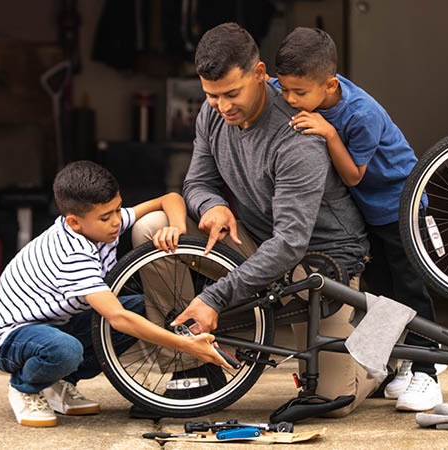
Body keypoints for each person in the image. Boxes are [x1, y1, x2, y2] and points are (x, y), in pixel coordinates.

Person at [132, 22, 376, 416]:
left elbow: (291, 242)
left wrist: (213, 297)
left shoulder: (298, 136)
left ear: (260, 73)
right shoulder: (213, 114)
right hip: (257, 243)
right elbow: (197, 181)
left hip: (321, 262)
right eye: (212, 95)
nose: (223, 106)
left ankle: (382, 353)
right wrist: (211, 206)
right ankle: (189, 369)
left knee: (329, 402)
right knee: (153, 227)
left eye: (232, 93)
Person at [0, 161, 231, 428]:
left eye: (117, 209)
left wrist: (177, 227)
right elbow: (118, 318)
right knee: (67, 350)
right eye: (105, 217)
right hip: (12, 337)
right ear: (74, 222)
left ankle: (60, 382)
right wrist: (185, 345)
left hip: (58, 324)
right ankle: (25, 387)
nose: (116, 222)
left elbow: (169, 199)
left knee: (146, 307)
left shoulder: (102, 225)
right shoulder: (72, 254)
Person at [270, 27, 442, 411]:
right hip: (368, 213)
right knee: (380, 291)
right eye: (285, 90)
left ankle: (427, 371)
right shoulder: (298, 86)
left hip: (400, 207)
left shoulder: (362, 114)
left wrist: (330, 134)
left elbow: (352, 176)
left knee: (409, 289)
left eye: (299, 93)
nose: (290, 99)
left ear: (330, 84)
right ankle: (399, 365)